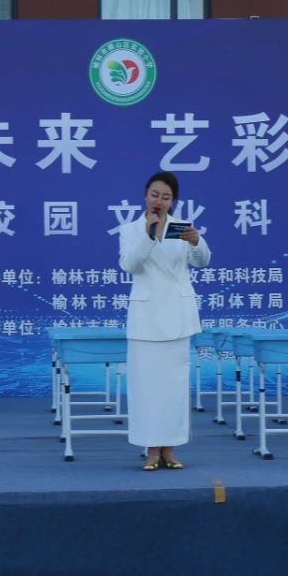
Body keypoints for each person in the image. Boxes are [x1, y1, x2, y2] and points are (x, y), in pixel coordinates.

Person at [118, 171, 210, 471]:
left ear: (173, 201)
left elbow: (202, 261)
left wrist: (197, 242)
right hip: (146, 319)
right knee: (146, 388)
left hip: (177, 317)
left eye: (166, 197)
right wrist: (148, 236)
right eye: (155, 194)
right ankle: (151, 449)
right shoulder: (131, 230)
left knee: (174, 387)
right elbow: (130, 265)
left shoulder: (181, 228)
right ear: (146, 196)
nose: (159, 201)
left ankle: (170, 448)